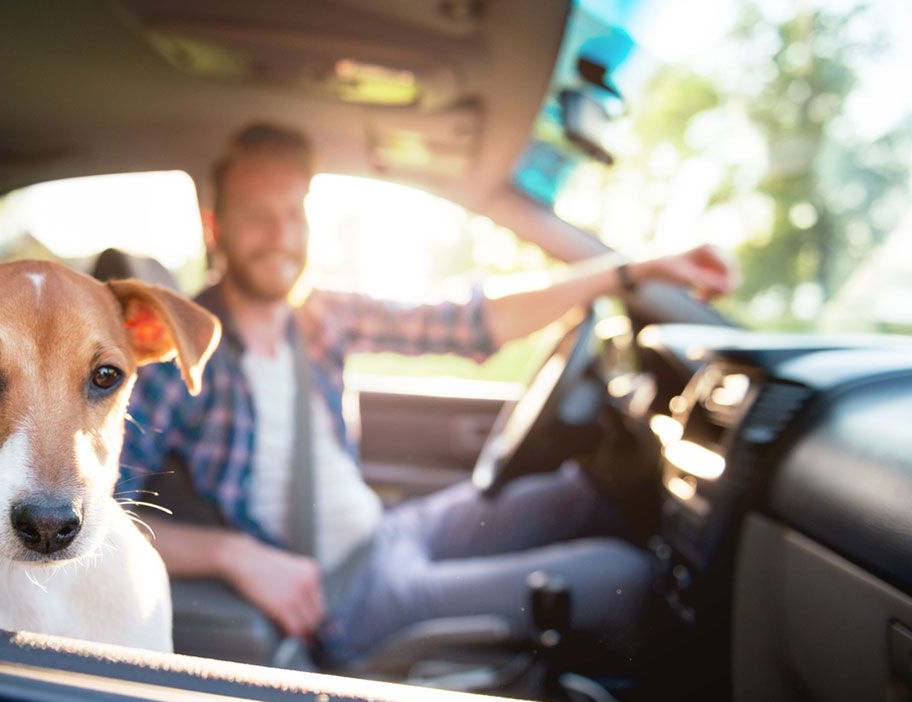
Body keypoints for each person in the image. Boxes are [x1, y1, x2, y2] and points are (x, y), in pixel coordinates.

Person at [121, 123, 735, 665]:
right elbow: (98, 519)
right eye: (258, 213)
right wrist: (233, 555)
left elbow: (474, 320)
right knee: (624, 578)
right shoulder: (175, 355)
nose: (282, 235)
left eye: (295, 213)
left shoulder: (318, 316)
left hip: (388, 534)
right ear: (215, 225)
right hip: (347, 598)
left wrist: (634, 272)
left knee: (578, 495)